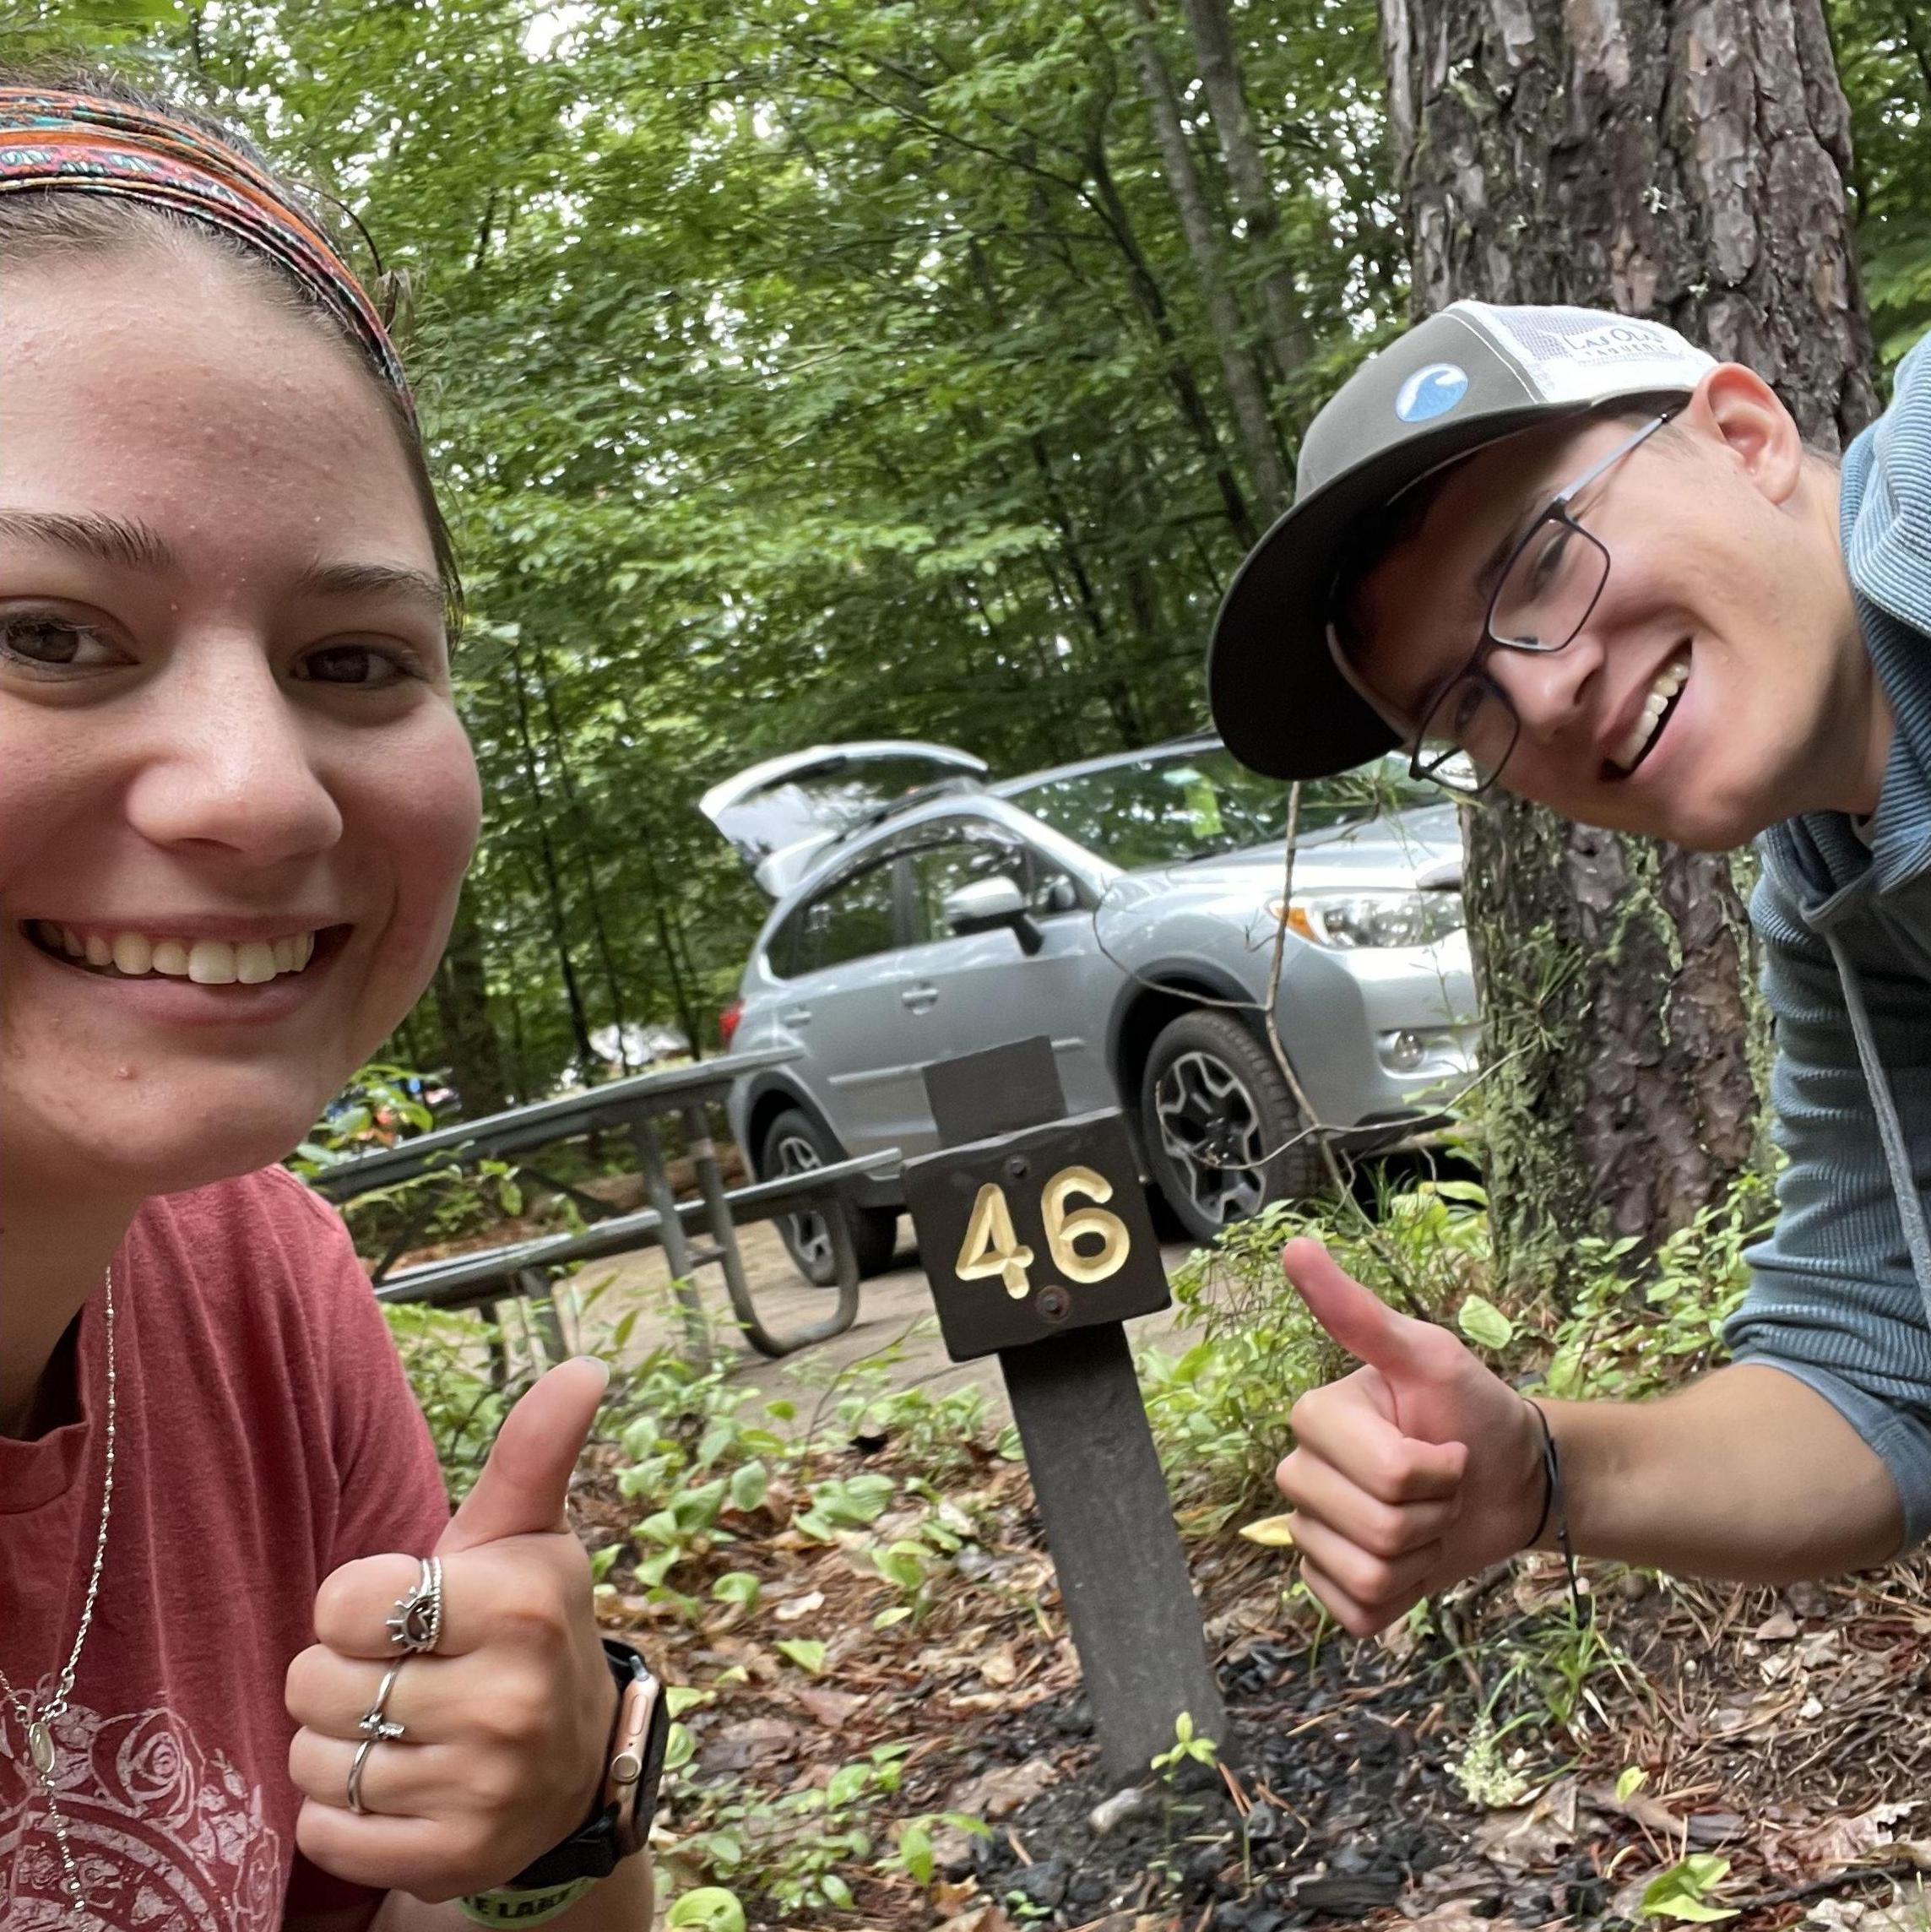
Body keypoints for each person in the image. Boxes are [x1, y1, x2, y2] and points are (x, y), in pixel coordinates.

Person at [0, 69, 659, 1929]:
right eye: (43, 634)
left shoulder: (254, 1287)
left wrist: (546, 1816)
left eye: (354, 658)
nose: (261, 789)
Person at [1205, 299, 1931, 1637]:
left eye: (1540, 563)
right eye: (1463, 705)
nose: (1537, 698)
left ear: (1745, 433)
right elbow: (1880, 1378)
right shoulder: (1848, 903)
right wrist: (1536, 1470)